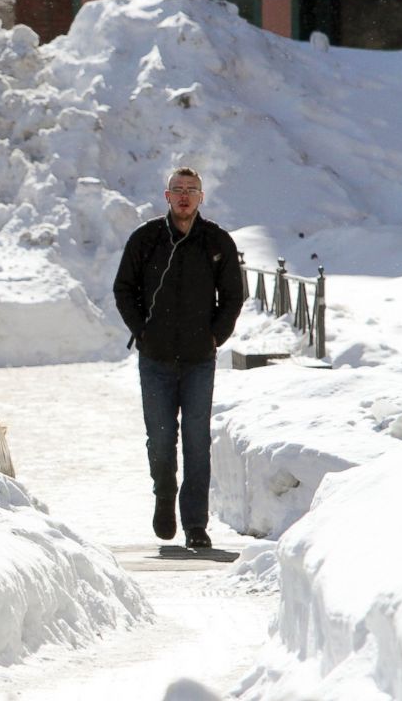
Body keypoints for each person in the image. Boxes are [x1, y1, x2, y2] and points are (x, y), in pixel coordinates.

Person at [113, 166, 242, 549]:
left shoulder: (216, 241)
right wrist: (143, 331)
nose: (184, 195)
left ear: (201, 197)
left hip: (200, 359)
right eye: (177, 189)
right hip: (156, 359)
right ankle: (165, 496)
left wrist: (215, 335)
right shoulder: (146, 239)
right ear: (166, 196)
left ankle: (195, 524)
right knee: (161, 438)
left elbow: (233, 296)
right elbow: (124, 289)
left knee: (197, 441)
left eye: (192, 189)